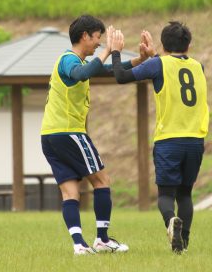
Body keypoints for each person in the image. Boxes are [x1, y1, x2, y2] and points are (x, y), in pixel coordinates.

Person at [41, 15, 145, 255]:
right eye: (98, 38)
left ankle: (79, 245)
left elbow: (104, 70)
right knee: (102, 181)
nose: (99, 42)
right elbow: (82, 74)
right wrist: (109, 49)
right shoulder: (69, 59)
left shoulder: (79, 62)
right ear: (85, 36)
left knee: (70, 192)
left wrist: (140, 59)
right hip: (68, 132)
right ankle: (102, 239)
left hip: (50, 135)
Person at [110, 22, 209, 254]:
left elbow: (121, 76)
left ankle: (170, 222)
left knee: (166, 195)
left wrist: (115, 51)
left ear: (163, 45)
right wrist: (157, 55)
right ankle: (182, 246)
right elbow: (173, 68)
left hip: (169, 141)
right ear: (189, 45)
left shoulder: (158, 64)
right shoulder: (199, 66)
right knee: (185, 194)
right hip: (195, 140)